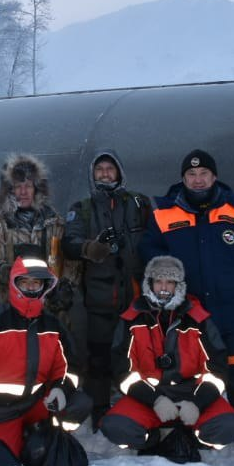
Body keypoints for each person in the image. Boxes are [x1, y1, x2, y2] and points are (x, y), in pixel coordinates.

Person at [140, 149, 234, 458]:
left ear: (214, 177)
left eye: (203, 174)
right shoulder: (164, 211)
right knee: (193, 368)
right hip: (190, 310)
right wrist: (168, 274)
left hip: (232, 306)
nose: (198, 180)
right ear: (183, 178)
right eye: (191, 174)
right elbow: (147, 248)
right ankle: (192, 424)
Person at [0, 247, 88, 466]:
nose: (31, 288)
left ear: (45, 286)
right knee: (4, 464)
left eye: (37, 283)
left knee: (80, 403)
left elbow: (72, 366)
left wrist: (61, 390)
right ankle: (23, 437)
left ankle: (45, 433)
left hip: (37, 404)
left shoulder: (53, 325)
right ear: (14, 283)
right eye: (25, 282)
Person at [101, 256, 234, 459]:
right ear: (149, 283)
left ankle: (193, 437)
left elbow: (217, 370)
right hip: (148, 397)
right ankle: (154, 439)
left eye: (170, 282)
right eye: (158, 281)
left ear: (178, 286)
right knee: (115, 427)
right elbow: (123, 372)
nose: (163, 287)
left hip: (192, 394)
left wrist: (197, 403)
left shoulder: (199, 319)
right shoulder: (131, 320)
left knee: (230, 426)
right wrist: (156, 400)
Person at [62, 150, 150, 424]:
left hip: (135, 296)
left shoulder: (138, 203)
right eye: (99, 169)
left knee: (136, 355)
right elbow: (69, 244)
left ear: (119, 173)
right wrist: (92, 247)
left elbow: (156, 237)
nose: (105, 174)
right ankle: (99, 409)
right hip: (99, 298)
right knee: (98, 357)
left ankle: (139, 406)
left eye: (110, 168)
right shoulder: (82, 208)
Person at [0, 152, 80, 313]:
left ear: (37, 189)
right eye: (18, 186)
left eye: (28, 186)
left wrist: (66, 285)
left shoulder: (54, 223)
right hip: (7, 311)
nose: (23, 192)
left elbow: (72, 260)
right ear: (9, 190)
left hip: (48, 312)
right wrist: (1, 271)